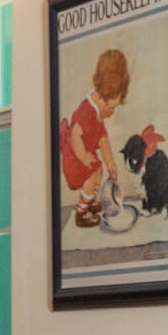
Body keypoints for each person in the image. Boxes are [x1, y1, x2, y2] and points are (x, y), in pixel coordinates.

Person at [60, 48, 131, 227]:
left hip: (84, 155)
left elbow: (103, 139)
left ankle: (89, 201)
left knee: (98, 171)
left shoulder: (97, 110)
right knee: (92, 175)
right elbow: (75, 134)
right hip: (75, 156)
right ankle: (82, 212)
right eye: (111, 108)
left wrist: (110, 163)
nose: (112, 113)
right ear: (101, 96)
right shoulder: (87, 111)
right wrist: (83, 156)